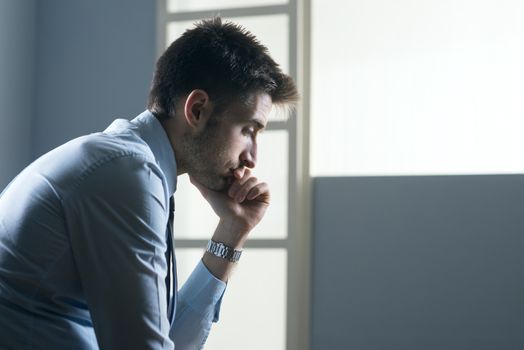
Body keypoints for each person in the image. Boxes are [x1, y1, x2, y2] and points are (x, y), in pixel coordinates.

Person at [0, 17, 298, 349]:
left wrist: (233, 230)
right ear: (197, 110)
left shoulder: (134, 166)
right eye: (248, 130)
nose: (252, 158)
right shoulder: (127, 174)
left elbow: (171, 341)